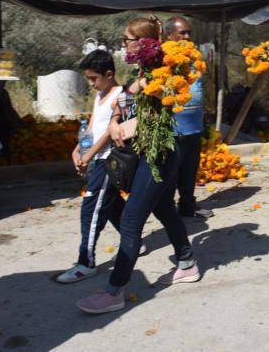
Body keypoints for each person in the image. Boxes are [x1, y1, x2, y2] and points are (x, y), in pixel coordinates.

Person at [77, 18, 200, 315]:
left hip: (159, 155)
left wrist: (130, 125)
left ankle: (114, 291)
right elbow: (123, 108)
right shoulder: (141, 71)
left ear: (144, 42)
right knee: (164, 209)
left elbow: (162, 113)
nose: (123, 44)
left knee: (131, 221)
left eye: (127, 39)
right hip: (147, 152)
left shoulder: (166, 72)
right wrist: (118, 121)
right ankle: (187, 263)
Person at [58, 50, 125, 284]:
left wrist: (91, 155)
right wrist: (78, 149)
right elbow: (92, 128)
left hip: (108, 160)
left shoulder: (121, 95)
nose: (90, 83)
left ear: (109, 74)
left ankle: (86, 263)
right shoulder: (100, 96)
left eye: (93, 78)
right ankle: (132, 239)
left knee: (91, 209)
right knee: (112, 204)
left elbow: (109, 133)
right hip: (97, 158)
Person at [164, 16, 214, 219]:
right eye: (182, 32)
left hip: (194, 124)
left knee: (189, 169)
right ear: (169, 35)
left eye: (189, 32)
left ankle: (187, 205)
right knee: (170, 172)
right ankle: (167, 212)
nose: (187, 36)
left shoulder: (194, 56)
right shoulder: (164, 58)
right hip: (174, 126)